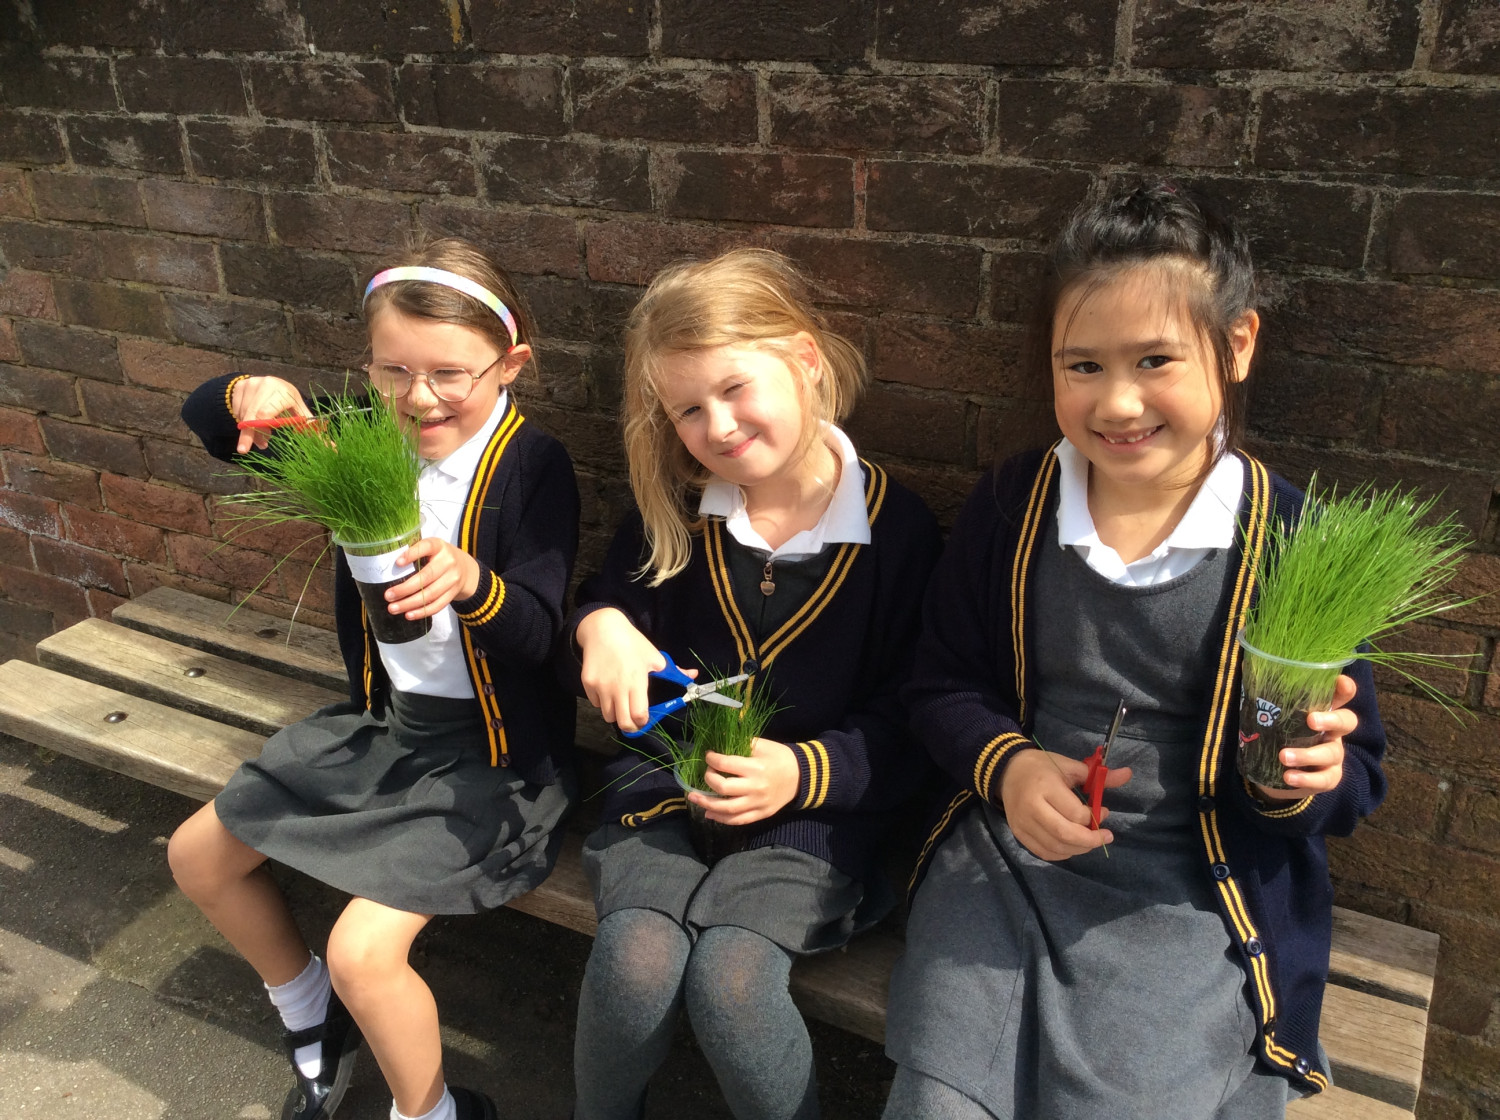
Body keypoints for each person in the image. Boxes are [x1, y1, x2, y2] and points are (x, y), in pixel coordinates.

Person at [882, 184, 1388, 1120]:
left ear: (1236, 345)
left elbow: (1358, 772)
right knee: (938, 1096)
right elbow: (940, 682)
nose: (1117, 403)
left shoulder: (1293, 543)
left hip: (1190, 894)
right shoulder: (1014, 505)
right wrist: (1009, 767)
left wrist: (1306, 780)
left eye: (1156, 359)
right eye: (1082, 366)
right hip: (1006, 866)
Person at [169, 238, 580, 1120]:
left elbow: (544, 632)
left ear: (510, 366)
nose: (419, 397)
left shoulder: (531, 466)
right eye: (394, 370)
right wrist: (247, 393)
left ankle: (430, 1112)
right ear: (369, 367)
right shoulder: (356, 433)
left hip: (496, 763)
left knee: (364, 953)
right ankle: (307, 1009)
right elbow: (208, 422)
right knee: (196, 857)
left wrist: (473, 584)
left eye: (450, 373)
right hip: (388, 731)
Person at [566, 248, 941, 1120]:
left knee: (733, 981)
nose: (720, 426)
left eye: (736, 389)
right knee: (635, 959)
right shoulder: (673, 511)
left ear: (805, 361)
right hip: (663, 792)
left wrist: (804, 772)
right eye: (689, 410)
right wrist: (600, 628)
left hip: (811, 822)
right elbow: (603, 609)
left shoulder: (899, 532)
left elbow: (917, 717)